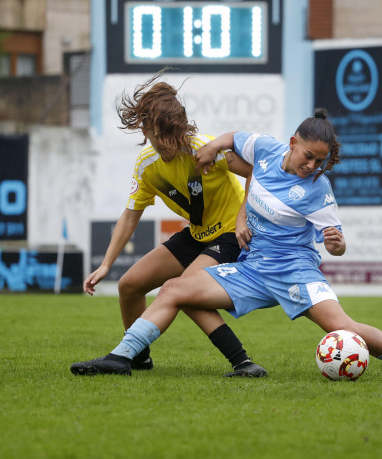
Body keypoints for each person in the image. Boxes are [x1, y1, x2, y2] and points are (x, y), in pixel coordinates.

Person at [84, 108, 382, 381]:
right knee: (174, 288)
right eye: (308, 156)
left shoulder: (319, 189)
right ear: (292, 142)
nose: (313, 165)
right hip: (252, 269)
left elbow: (337, 247)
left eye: (321, 161)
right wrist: (212, 149)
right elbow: (233, 138)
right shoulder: (265, 150)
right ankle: (122, 357)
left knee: (342, 327)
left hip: (295, 271)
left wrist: (337, 243)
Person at [70, 70, 267, 377]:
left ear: (179, 127)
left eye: (166, 134)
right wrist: (107, 264)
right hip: (197, 234)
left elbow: (255, 172)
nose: (160, 142)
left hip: (228, 234)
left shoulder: (206, 150)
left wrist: (243, 218)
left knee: (183, 290)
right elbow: (130, 214)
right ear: (144, 129)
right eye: (153, 133)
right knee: (129, 285)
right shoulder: (147, 165)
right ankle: (139, 358)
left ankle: (243, 363)